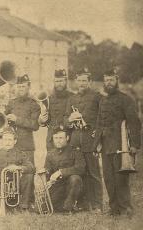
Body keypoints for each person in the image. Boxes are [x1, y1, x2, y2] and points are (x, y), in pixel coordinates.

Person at [93, 69, 141, 217]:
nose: (109, 83)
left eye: (111, 80)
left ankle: (126, 208)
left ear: (116, 81)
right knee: (108, 177)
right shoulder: (103, 101)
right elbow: (99, 124)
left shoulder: (126, 99)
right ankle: (114, 208)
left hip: (121, 145)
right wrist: (96, 145)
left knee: (121, 177)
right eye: (106, 80)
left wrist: (134, 145)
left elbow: (134, 123)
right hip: (106, 145)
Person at [64, 68, 103, 212]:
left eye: (84, 81)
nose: (81, 83)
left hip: (90, 140)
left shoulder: (97, 97)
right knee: (79, 173)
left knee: (93, 174)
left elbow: (101, 119)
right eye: (79, 81)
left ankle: (97, 204)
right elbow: (65, 119)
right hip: (75, 141)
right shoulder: (72, 99)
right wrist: (70, 119)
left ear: (90, 82)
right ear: (75, 82)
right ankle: (82, 203)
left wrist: (97, 139)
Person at [0, 126, 34, 214]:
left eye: (10, 140)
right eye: (5, 139)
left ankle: (23, 206)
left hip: (15, 189)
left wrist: (19, 168)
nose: (7, 142)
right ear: (2, 140)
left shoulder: (20, 153)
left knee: (29, 175)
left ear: (15, 141)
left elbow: (31, 167)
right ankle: (8, 206)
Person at [44, 126, 85, 214]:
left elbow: (80, 168)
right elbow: (47, 171)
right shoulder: (50, 153)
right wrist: (46, 179)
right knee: (42, 208)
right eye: (56, 138)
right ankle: (61, 205)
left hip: (71, 186)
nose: (58, 140)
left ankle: (68, 208)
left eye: (61, 138)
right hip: (57, 186)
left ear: (67, 138)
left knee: (75, 178)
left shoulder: (75, 151)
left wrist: (60, 172)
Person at [5, 74, 40, 164]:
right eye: (19, 86)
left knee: (28, 172)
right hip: (11, 145)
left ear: (29, 87)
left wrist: (17, 120)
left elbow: (35, 125)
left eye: (23, 86)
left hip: (27, 147)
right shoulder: (11, 103)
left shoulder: (33, 104)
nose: (21, 89)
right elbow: (3, 120)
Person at [38, 69, 74, 151]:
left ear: (66, 81)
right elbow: (43, 121)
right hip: (52, 139)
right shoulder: (49, 98)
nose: (59, 84)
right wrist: (41, 119)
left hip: (68, 138)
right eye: (57, 81)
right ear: (54, 82)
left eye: (61, 81)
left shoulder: (73, 97)